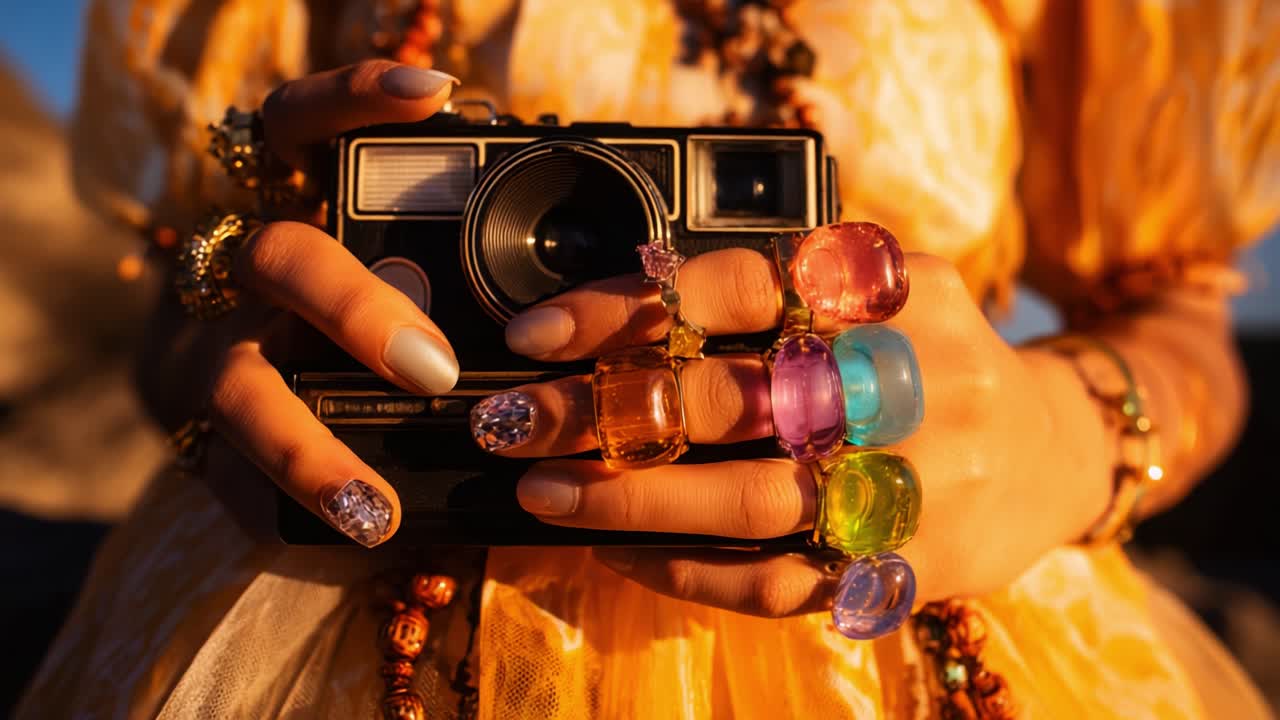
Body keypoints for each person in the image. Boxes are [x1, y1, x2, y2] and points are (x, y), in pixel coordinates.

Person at [15, 0, 1279, 717]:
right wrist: (208, 355)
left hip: (893, 594)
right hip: (334, 594)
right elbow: (186, 285)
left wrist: (1060, 433)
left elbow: (1175, 310)